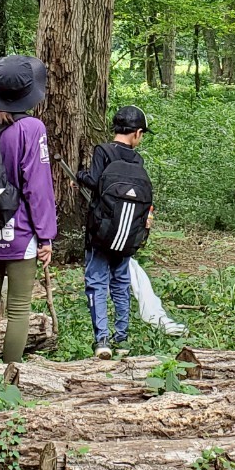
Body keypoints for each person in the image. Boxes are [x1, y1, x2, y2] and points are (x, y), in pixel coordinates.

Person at [0, 55, 57, 364]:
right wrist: (45, 236)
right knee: (19, 309)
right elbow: (38, 186)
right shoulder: (32, 128)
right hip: (19, 231)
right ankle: (11, 378)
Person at [76, 106, 154, 359]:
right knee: (120, 282)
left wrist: (80, 175)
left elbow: (95, 182)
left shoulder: (103, 151)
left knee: (97, 283)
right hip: (127, 234)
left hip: (100, 233)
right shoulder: (137, 160)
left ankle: (102, 340)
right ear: (137, 133)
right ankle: (122, 339)